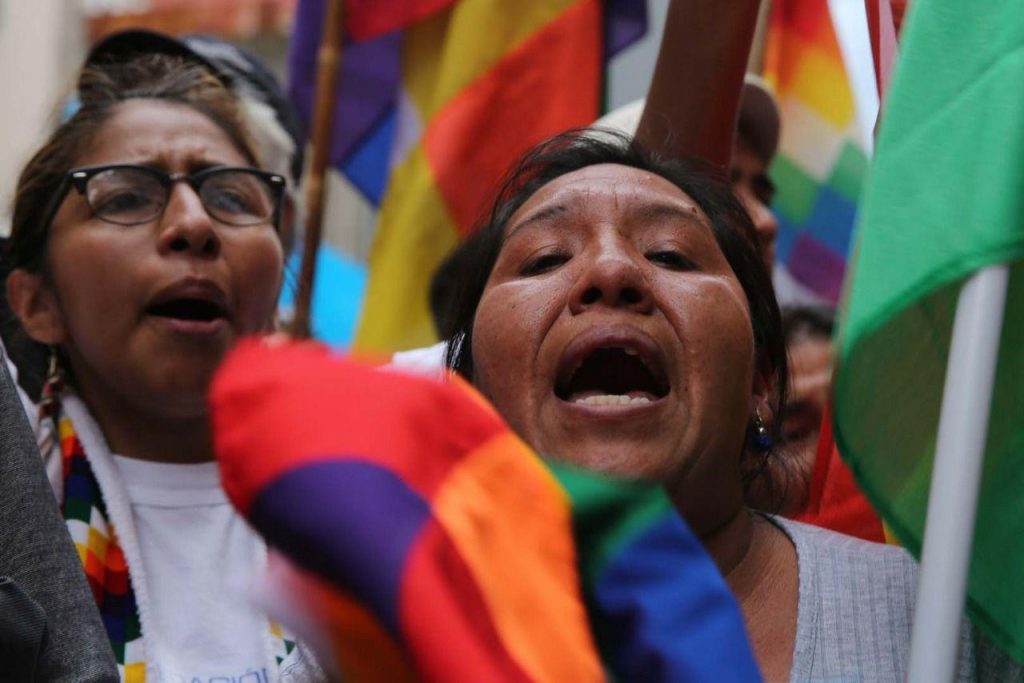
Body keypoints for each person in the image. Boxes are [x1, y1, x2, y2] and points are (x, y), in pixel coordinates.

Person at [439, 130, 974, 682]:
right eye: (545, 259)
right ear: (468, 392)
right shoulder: (368, 641)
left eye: (671, 253)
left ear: (759, 382)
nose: (611, 272)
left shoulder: (943, 628)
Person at [3, 54, 322, 682]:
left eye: (232, 195)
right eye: (125, 196)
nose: (194, 225)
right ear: (36, 304)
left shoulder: (387, 500)